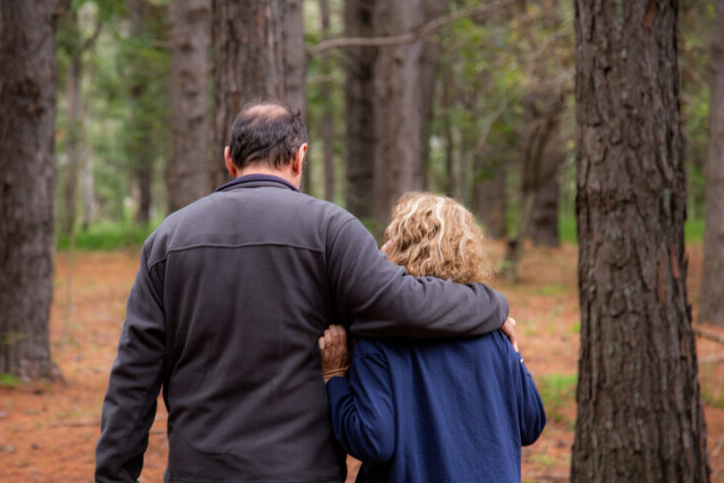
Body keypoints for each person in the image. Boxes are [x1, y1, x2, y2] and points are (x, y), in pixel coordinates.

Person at [95, 99, 514, 483]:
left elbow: (133, 379)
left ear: (229, 161)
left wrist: (114, 476)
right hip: (301, 472)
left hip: (198, 471)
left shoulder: (168, 240)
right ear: (300, 157)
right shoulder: (332, 230)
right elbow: (406, 305)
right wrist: (491, 303)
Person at [319, 192, 546, 482]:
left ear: (406, 251)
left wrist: (335, 377)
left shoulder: (380, 334)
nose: (382, 247)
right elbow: (531, 422)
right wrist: (515, 355)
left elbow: (372, 441)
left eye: (392, 239)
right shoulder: (494, 331)